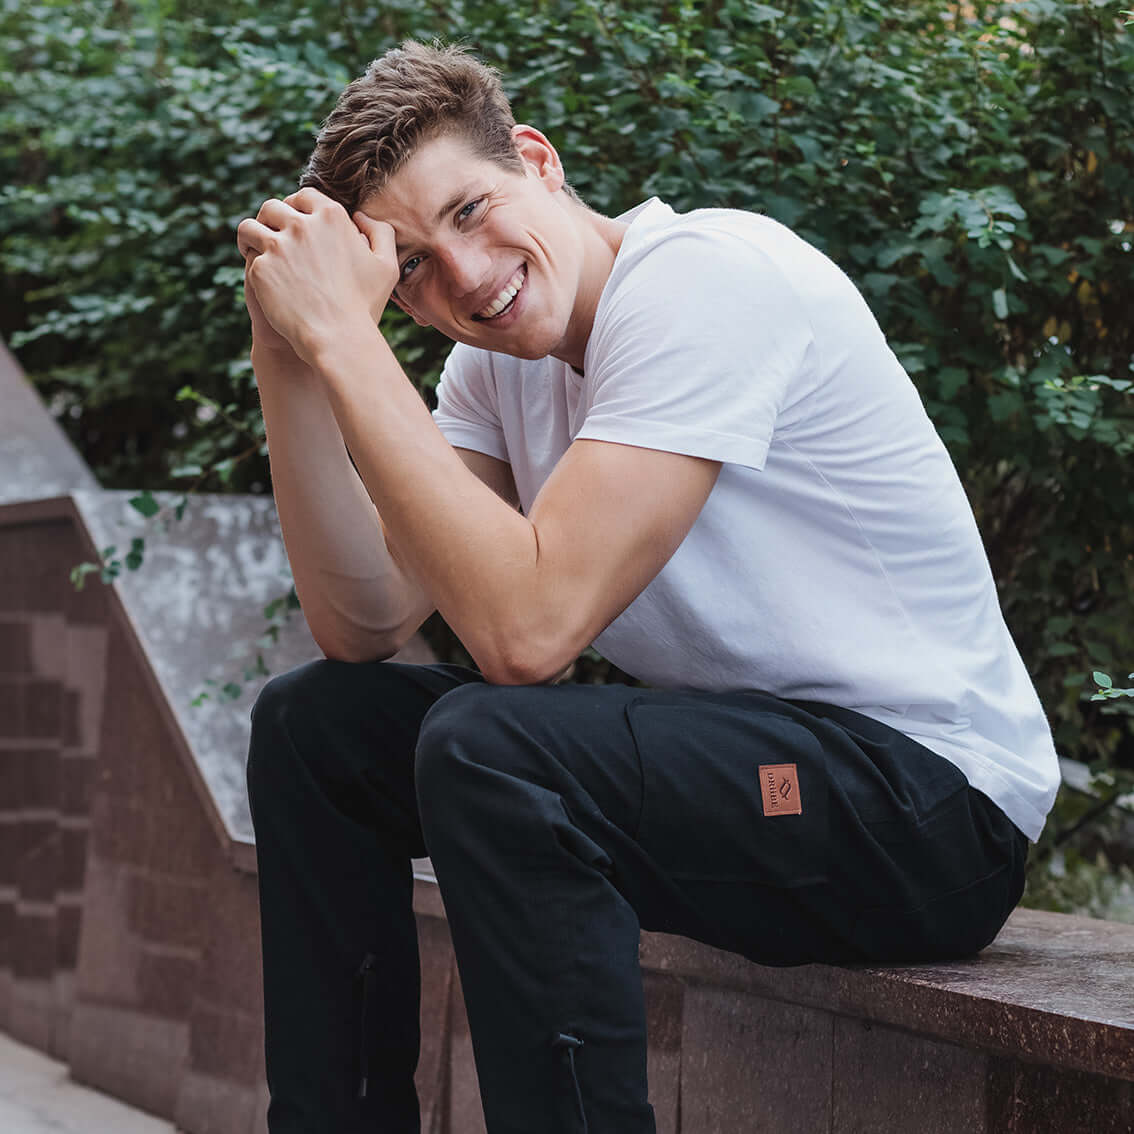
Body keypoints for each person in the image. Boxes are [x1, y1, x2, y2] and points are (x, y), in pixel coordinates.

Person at [237, 39, 1059, 1134]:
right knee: (314, 726)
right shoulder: (493, 369)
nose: (467, 276)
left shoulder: (706, 282)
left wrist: (348, 339)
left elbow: (525, 632)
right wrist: (287, 344)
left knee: (492, 744)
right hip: (751, 775)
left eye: (473, 210)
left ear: (539, 160)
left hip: (926, 809)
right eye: (415, 265)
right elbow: (362, 622)